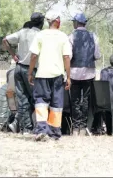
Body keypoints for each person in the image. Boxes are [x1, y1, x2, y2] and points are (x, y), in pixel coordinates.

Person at [28, 12, 72, 141]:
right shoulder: (63, 36)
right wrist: (68, 76)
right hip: (58, 75)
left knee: (41, 101)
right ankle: (54, 131)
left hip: (42, 74)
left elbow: (34, 56)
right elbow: (66, 57)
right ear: (58, 21)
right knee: (56, 103)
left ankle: (41, 129)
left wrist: (30, 72)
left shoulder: (40, 35)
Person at [2, 13, 45, 135]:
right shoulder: (40, 35)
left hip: (19, 68)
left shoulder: (22, 32)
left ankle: (26, 128)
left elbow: (5, 40)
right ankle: (37, 126)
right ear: (41, 23)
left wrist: (13, 54)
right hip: (32, 70)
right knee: (37, 98)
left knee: (22, 99)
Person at [68, 13, 101, 136]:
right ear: (85, 23)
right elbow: (97, 55)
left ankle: (75, 127)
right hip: (89, 73)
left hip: (74, 73)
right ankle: (83, 127)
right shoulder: (93, 36)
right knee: (86, 100)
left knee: (75, 100)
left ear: (76, 23)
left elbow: (69, 56)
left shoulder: (71, 36)